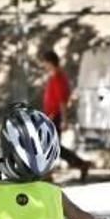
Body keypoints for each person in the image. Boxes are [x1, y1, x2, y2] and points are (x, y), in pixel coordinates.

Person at [38, 50, 91, 182]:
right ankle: (81, 164)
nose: (42, 65)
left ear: (50, 62)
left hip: (55, 116)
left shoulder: (58, 78)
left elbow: (62, 101)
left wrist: (64, 120)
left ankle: (47, 174)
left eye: (44, 62)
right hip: (51, 116)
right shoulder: (54, 77)